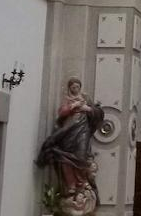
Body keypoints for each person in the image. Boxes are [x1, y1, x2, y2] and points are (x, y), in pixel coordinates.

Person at [37, 77, 104, 215]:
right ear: (70, 88)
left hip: (82, 130)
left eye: (77, 86)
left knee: (81, 156)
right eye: (73, 87)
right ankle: (71, 186)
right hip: (68, 131)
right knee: (65, 158)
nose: (75, 89)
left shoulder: (85, 98)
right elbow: (61, 113)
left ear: (80, 87)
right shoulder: (67, 99)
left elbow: (97, 113)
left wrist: (87, 108)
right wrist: (72, 107)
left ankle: (81, 184)